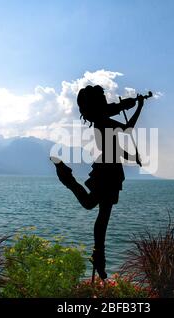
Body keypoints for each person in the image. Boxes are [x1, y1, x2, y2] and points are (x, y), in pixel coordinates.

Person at [51, 85, 145, 280]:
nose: (105, 100)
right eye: (101, 98)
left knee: (100, 216)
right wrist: (138, 107)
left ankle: (99, 258)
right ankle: (66, 177)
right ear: (96, 103)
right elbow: (127, 129)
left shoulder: (101, 119)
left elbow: (115, 148)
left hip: (110, 169)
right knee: (94, 210)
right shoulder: (102, 120)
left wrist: (132, 155)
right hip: (108, 171)